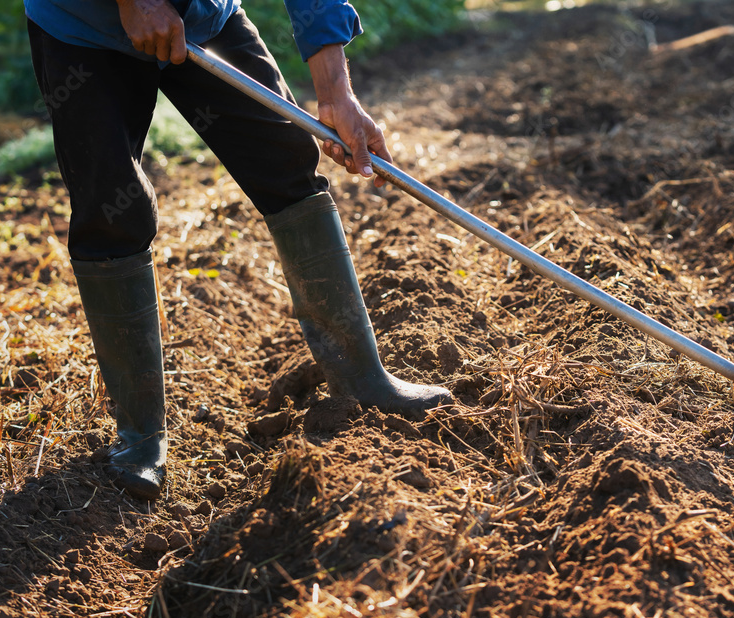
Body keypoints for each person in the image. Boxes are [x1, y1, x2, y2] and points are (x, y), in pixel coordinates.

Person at [24, 0, 453, 501]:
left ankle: (362, 380)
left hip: (205, 17)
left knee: (288, 161)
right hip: (82, 27)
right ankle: (140, 436)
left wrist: (336, 91)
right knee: (112, 209)